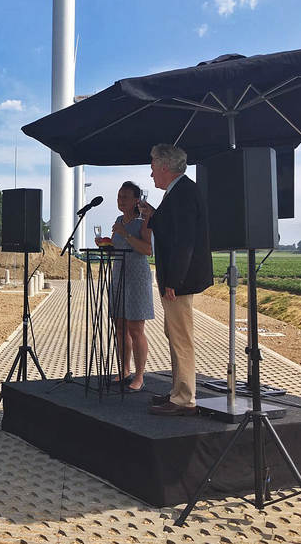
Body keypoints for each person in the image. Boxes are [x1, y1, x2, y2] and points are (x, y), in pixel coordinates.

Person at [140, 143, 213, 416]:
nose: (151, 175)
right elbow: (173, 228)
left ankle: (184, 398)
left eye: (152, 168)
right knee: (173, 333)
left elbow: (185, 242)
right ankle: (177, 391)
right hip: (176, 277)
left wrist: (174, 281)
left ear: (164, 167)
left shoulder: (182, 193)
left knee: (181, 337)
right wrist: (153, 216)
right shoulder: (179, 191)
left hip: (179, 279)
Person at [96, 181, 154, 392]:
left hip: (137, 278)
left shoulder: (143, 221)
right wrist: (104, 245)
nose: (120, 201)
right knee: (119, 326)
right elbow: (115, 249)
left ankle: (139, 376)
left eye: (125, 197)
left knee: (135, 329)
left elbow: (147, 249)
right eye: (119, 196)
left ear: (136, 200)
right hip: (118, 276)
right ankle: (124, 370)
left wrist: (125, 233)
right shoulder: (119, 220)